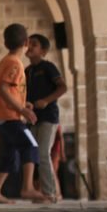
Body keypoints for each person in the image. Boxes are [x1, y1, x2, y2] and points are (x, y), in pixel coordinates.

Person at [0, 23, 44, 204]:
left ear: (5, 44)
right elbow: (3, 90)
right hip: (9, 117)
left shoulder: (8, 61)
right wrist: (21, 110)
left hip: (4, 115)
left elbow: (10, 91)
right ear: (26, 42)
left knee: (10, 155)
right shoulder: (15, 63)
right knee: (31, 145)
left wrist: (22, 103)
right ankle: (27, 188)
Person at [25, 33, 67, 202]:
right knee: (33, 155)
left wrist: (46, 101)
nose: (29, 46)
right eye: (28, 43)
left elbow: (63, 87)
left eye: (34, 44)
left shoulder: (48, 67)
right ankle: (39, 191)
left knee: (43, 153)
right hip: (32, 118)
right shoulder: (26, 71)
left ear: (43, 50)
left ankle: (50, 194)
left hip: (49, 118)